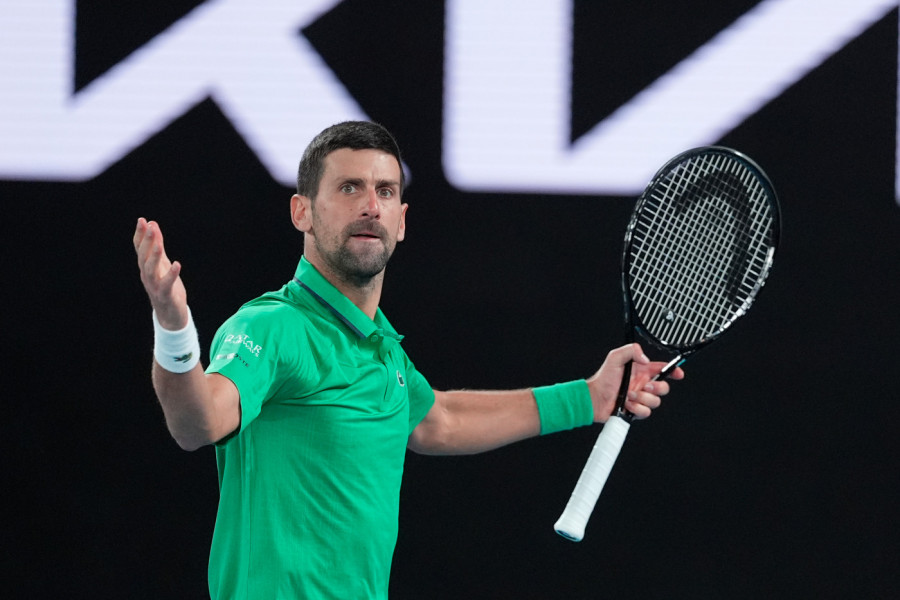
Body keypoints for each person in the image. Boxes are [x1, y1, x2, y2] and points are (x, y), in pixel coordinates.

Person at [133, 121, 683, 599]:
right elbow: (196, 424)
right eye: (349, 187)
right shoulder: (271, 327)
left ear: (401, 220)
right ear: (302, 212)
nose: (370, 205)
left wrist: (588, 397)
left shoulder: (384, 350)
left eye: (385, 191)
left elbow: (437, 420)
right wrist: (174, 327)